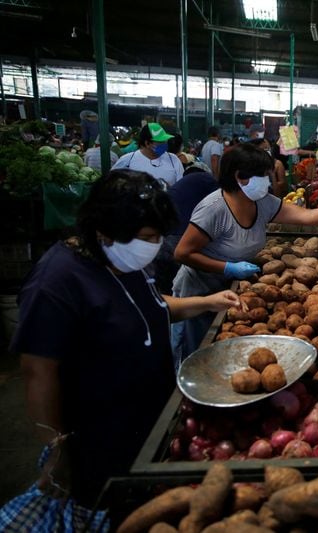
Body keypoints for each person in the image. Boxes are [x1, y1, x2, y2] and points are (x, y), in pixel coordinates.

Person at [2, 170, 241, 526]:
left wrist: (205, 302)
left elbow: (148, 306)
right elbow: (39, 372)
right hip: (97, 433)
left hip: (145, 419)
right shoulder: (56, 283)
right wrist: (56, 448)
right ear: (103, 231)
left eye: (158, 235)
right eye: (147, 236)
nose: (155, 244)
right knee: (106, 510)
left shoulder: (120, 259)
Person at [172, 143, 318, 361]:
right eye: (263, 176)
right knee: (199, 353)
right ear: (241, 177)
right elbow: (182, 253)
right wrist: (226, 268)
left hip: (235, 289)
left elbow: (305, 216)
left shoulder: (261, 202)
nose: (268, 181)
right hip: (201, 291)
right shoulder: (214, 209)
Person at [152, 163, 220, 293]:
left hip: (163, 236)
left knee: (164, 284)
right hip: (179, 236)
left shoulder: (182, 186)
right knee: (183, 281)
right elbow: (222, 207)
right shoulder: (207, 179)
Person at [113, 123, 184, 187]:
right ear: (147, 143)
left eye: (165, 141)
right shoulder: (127, 161)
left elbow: (181, 186)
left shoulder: (173, 160)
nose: (165, 144)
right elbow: (112, 184)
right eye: (160, 142)